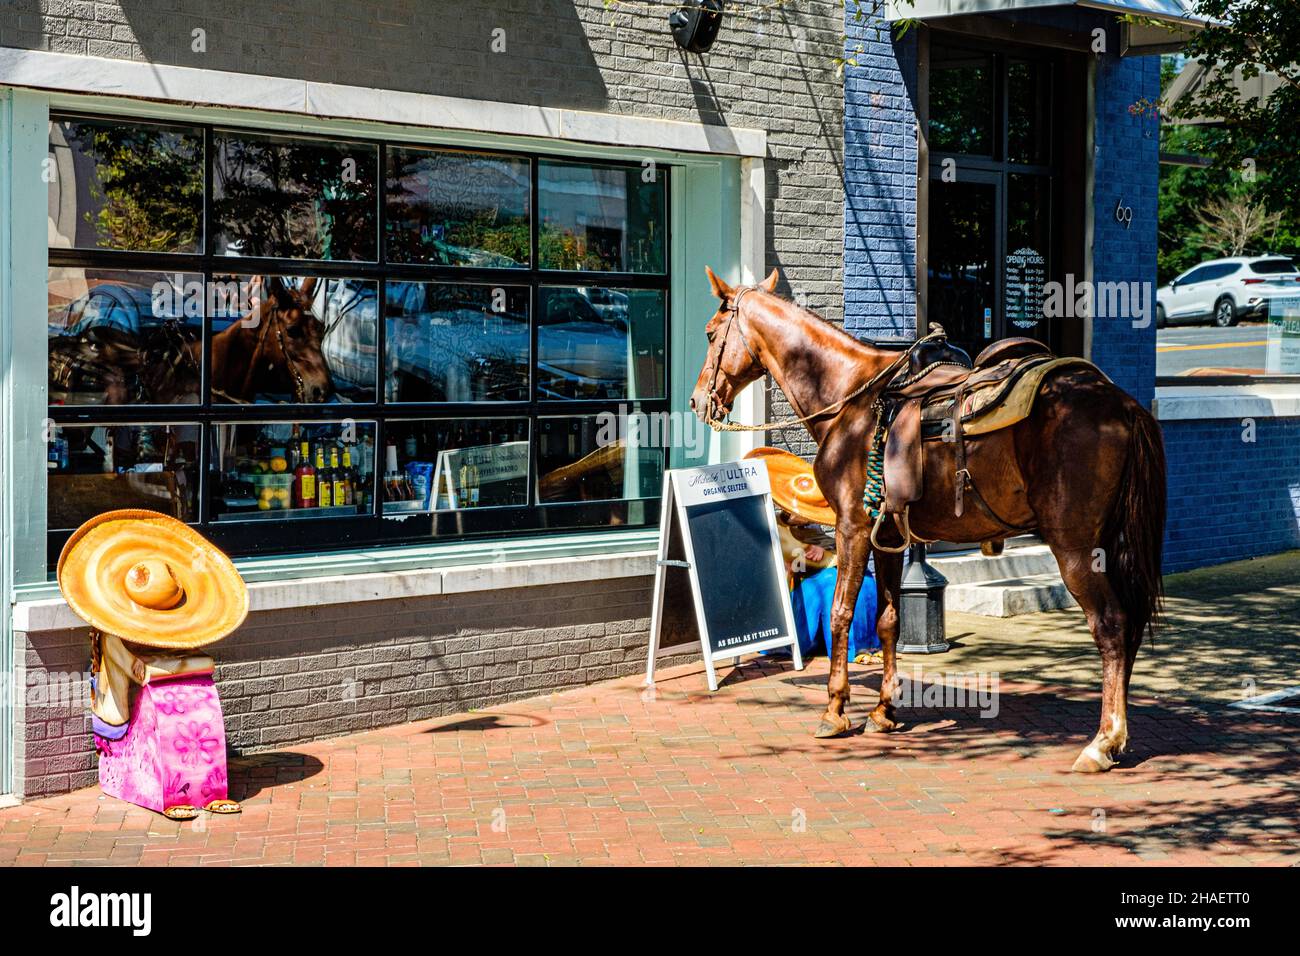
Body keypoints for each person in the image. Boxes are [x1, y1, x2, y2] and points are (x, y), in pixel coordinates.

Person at [743, 447, 880, 663]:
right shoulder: (776, 528)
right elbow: (784, 563)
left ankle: (865, 643)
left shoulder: (813, 531)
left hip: (821, 573)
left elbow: (838, 552)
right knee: (830, 584)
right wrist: (811, 558)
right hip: (795, 584)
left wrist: (825, 552)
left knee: (862, 579)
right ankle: (844, 646)